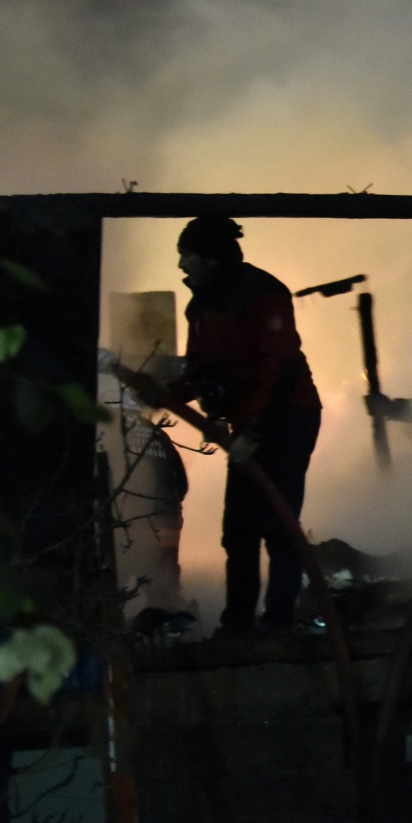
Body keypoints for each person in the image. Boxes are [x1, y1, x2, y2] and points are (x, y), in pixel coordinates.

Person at [165, 216, 322, 634]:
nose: (181, 266)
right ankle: (237, 623)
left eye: (186, 256)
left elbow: (276, 367)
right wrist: (167, 393)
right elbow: (200, 368)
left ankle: (278, 622)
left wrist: (252, 432)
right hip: (247, 425)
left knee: (280, 523)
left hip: (288, 417)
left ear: (208, 259)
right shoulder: (199, 305)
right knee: (239, 528)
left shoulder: (264, 294)